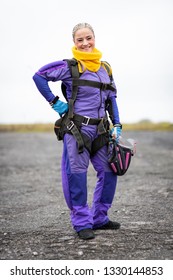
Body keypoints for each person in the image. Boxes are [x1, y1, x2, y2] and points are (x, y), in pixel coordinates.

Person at [33, 23, 122, 240]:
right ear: (74, 42)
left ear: (95, 38)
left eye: (88, 38)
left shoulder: (105, 69)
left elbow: (111, 98)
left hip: (101, 131)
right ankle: (82, 222)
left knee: (109, 172)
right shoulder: (69, 67)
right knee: (77, 176)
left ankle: (99, 218)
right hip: (77, 130)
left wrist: (117, 125)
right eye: (79, 40)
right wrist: (55, 103)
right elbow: (39, 76)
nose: (85, 43)